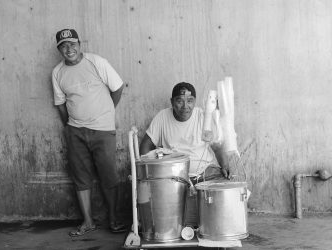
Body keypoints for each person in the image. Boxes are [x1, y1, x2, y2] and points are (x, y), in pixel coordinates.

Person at [52, 28, 126, 236]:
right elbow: (60, 103)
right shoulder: (58, 72)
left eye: (72, 44)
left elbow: (118, 87)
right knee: (80, 177)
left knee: (108, 175)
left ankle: (113, 219)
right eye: (64, 46)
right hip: (75, 131)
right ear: (59, 49)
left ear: (80, 44)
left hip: (102, 130)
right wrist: (70, 126)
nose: (69, 49)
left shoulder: (96, 62)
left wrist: (107, 112)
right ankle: (87, 222)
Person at [139, 82, 230, 227]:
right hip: (175, 178)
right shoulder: (162, 117)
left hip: (205, 172)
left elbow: (217, 147)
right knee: (178, 220)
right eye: (179, 101)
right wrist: (148, 172)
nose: (185, 106)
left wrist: (225, 165)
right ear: (172, 102)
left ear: (195, 101)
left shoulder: (203, 117)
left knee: (221, 203)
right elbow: (145, 145)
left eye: (190, 101)